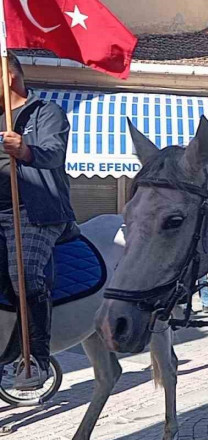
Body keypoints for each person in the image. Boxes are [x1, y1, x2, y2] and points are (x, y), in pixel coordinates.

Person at [0, 53, 75, 390]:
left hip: (35, 212)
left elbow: (54, 152)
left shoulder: (45, 112)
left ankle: (36, 357)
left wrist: (26, 151)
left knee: (25, 274)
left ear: (9, 76)